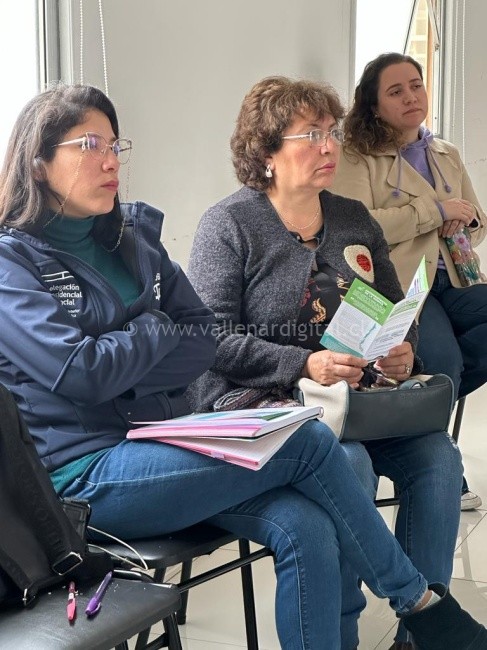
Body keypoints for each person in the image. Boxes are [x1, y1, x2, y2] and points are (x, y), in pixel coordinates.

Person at [0, 84, 484, 650]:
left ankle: (410, 619)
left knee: (307, 524)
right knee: (308, 440)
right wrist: (155, 326)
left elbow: (199, 342)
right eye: (89, 145)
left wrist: (135, 353)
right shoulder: (12, 262)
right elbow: (84, 373)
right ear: (38, 161)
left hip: (169, 437)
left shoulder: (133, 240)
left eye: (114, 145)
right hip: (84, 474)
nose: (111, 161)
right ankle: (420, 603)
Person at [186, 75, 469, 650]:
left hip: (359, 401)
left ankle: (423, 635)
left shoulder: (352, 217)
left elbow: (394, 307)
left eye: (331, 132)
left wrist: (401, 349)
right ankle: (340, 634)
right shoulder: (229, 224)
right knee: (349, 462)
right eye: (309, 134)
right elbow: (209, 340)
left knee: (438, 456)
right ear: (266, 153)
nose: (328, 146)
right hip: (272, 406)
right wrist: (302, 365)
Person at [332, 52, 487, 512]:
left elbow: (477, 221)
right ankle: (439, 467)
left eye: (416, 85)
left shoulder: (445, 152)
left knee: (446, 370)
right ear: (374, 104)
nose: (410, 97)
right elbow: (358, 228)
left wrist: (464, 219)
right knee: (444, 361)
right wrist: (433, 212)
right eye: (395, 91)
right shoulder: (356, 157)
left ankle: (414, 406)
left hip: (455, 277)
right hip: (402, 285)